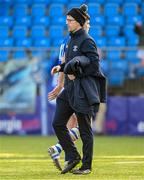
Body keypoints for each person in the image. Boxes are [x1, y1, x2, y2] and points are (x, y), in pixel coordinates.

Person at [49, 5, 107, 175]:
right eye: (67, 20)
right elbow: (73, 62)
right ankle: (73, 156)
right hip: (69, 89)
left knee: (85, 129)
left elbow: (94, 66)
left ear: (80, 22)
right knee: (58, 123)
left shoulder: (87, 40)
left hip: (82, 89)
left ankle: (86, 166)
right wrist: (61, 67)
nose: (67, 23)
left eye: (70, 20)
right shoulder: (71, 39)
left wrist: (76, 72)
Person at [48, 4, 90, 171]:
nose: (89, 26)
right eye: (88, 23)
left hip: (71, 88)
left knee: (72, 125)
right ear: (82, 23)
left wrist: (60, 86)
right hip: (79, 89)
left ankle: (67, 157)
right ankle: (60, 150)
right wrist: (60, 85)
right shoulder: (77, 41)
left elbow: (63, 65)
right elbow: (65, 65)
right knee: (83, 126)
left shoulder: (69, 41)